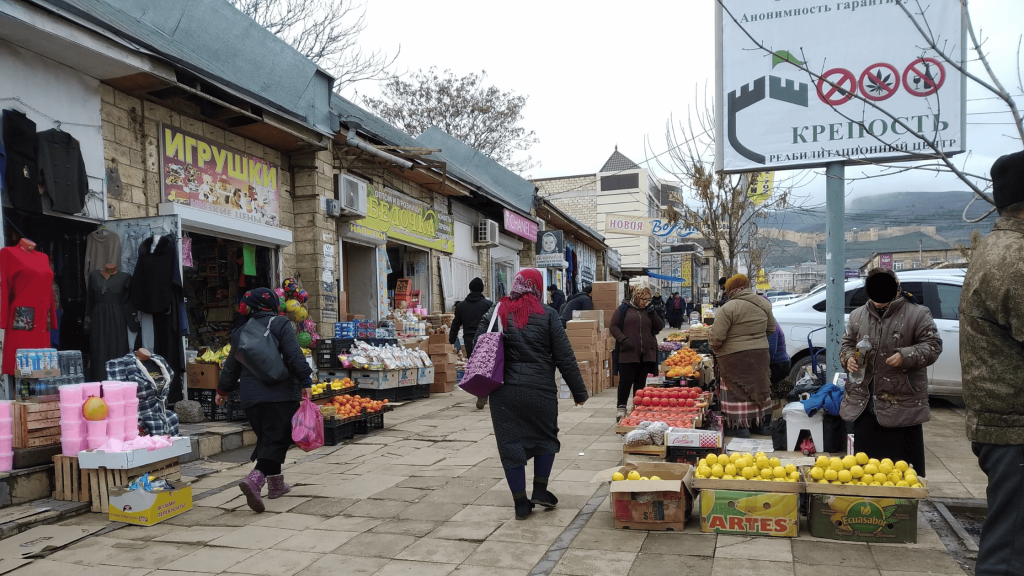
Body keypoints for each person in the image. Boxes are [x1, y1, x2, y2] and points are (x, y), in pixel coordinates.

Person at [476, 269, 588, 520]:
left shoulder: (496, 311)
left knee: (509, 445)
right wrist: (579, 392)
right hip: (540, 391)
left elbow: (478, 345)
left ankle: (520, 504)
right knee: (546, 438)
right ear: (537, 287)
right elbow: (565, 357)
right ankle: (540, 490)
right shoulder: (548, 315)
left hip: (503, 392)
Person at [959, 150, 1024, 576]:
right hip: (1013, 423)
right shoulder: (1015, 259)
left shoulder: (993, 250)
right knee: (1010, 552)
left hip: (999, 419)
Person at [216, 288, 313, 513]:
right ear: (270, 304)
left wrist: (223, 390)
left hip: (251, 398)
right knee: (277, 440)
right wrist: (306, 379)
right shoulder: (280, 325)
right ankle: (255, 480)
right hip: (280, 394)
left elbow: (231, 366)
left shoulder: (240, 332)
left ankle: (276, 485)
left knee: (268, 439)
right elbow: (293, 355)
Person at [841, 268, 941, 475]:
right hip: (864, 403)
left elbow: (932, 346)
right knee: (867, 470)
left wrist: (906, 356)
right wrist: (848, 358)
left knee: (901, 469)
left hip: (901, 403)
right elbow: (847, 344)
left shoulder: (917, 314)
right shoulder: (858, 315)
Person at [710, 274, 775, 437]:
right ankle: (761, 425)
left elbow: (717, 337)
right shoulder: (763, 304)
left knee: (735, 389)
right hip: (760, 354)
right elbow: (771, 329)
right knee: (758, 387)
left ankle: (739, 427)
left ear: (730, 290)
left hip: (733, 357)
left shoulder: (728, 308)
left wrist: (714, 347)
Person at [610, 286, 665, 422]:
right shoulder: (623, 309)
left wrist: (652, 313)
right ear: (636, 297)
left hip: (646, 354)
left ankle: (638, 409)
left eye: (648, 299)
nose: (646, 302)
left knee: (640, 384)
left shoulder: (649, 310)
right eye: (643, 299)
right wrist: (623, 340)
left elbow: (659, 326)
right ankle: (621, 409)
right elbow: (613, 326)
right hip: (628, 353)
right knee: (625, 382)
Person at [450, 277, 493, 409]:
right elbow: (494, 322)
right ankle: (486, 392)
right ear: (482, 289)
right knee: (487, 367)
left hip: (469, 340)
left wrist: (451, 339)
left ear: (470, 288)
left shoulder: (461, 306)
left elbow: (456, 324)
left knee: (475, 367)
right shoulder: (488, 304)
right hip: (485, 339)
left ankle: (481, 392)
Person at [765, 297, 792, 412]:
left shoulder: (771, 324)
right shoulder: (768, 321)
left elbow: (771, 351)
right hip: (779, 363)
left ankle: (769, 416)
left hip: (778, 365)